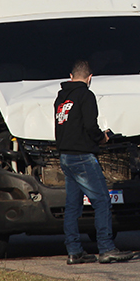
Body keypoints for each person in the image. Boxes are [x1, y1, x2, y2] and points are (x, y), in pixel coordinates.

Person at [54, 59, 133, 265]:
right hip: (82, 157)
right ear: (90, 78)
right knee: (102, 201)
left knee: (72, 205)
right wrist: (102, 138)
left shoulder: (61, 98)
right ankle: (106, 248)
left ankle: (74, 251)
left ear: (71, 77)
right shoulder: (86, 95)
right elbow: (90, 126)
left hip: (65, 157)